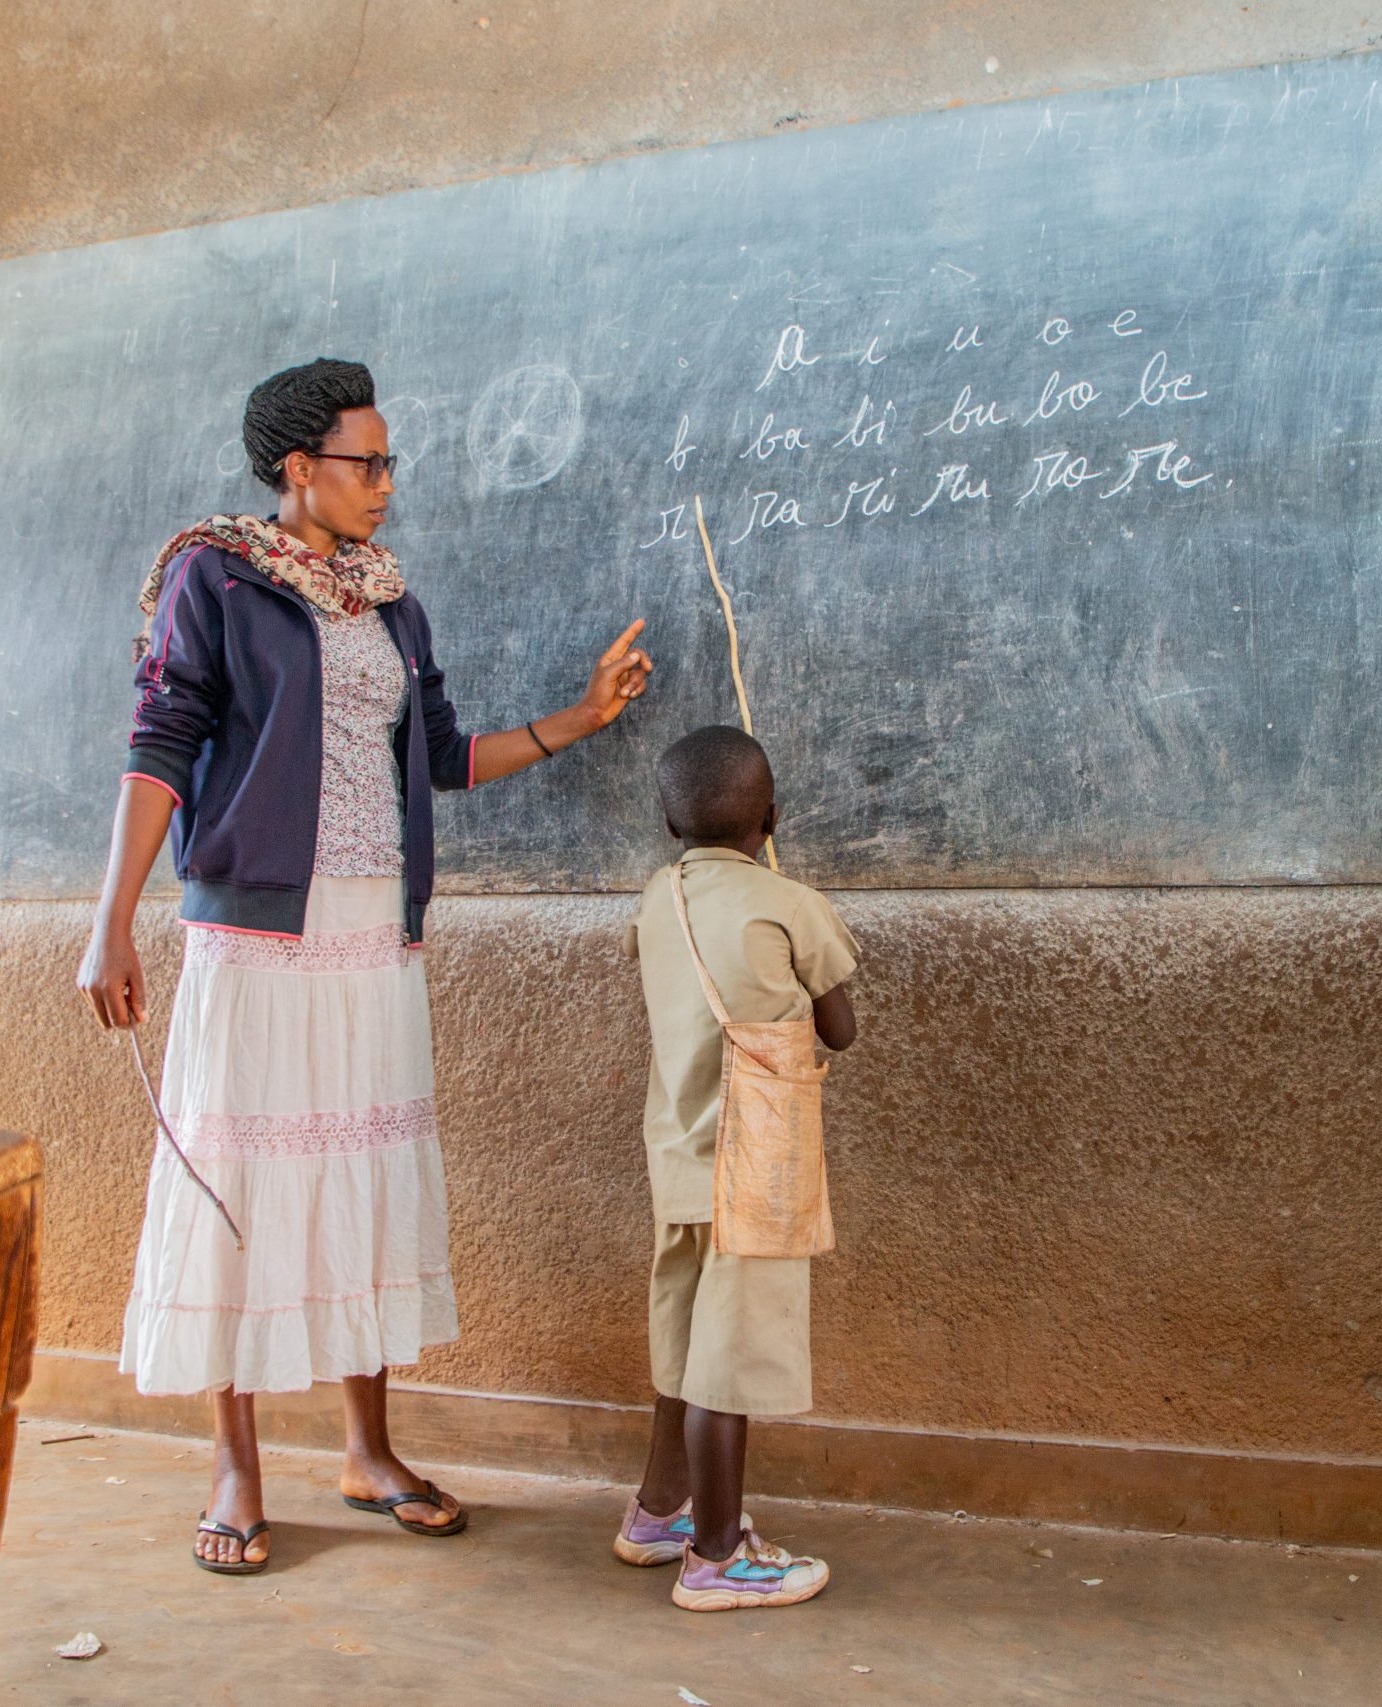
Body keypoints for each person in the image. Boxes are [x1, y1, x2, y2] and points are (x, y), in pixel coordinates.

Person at [75, 358, 653, 1574]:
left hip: (370, 930)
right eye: (367, 461)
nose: (386, 483)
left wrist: (581, 718)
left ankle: (366, 1451)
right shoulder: (214, 577)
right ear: (301, 469)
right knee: (241, 1177)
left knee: (360, 1175)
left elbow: (441, 758)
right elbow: (162, 741)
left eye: (389, 462)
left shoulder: (391, 599)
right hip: (254, 929)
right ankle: (237, 1466)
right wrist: (112, 919)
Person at [617, 725, 859, 1611]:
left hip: (677, 1156)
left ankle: (658, 1512)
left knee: (683, 1344)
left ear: (667, 820)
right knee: (729, 1359)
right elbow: (841, 1029)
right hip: (754, 1169)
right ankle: (717, 1558)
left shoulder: (656, 896)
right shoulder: (790, 903)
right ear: (773, 819)